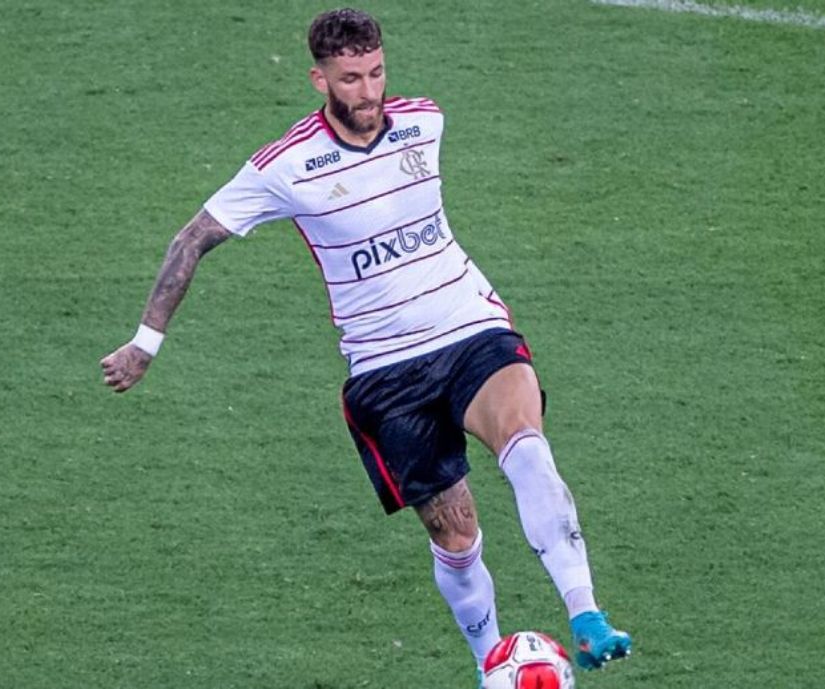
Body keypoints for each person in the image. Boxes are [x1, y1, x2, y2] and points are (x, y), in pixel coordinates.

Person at [99, 7, 630, 686]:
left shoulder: (424, 121)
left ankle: (585, 613)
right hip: (384, 370)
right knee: (456, 536)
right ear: (320, 79)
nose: (369, 91)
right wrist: (146, 343)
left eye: (376, 72)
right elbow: (191, 238)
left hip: (469, 328)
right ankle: (489, 663)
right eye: (351, 78)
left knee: (525, 443)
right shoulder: (284, 165)